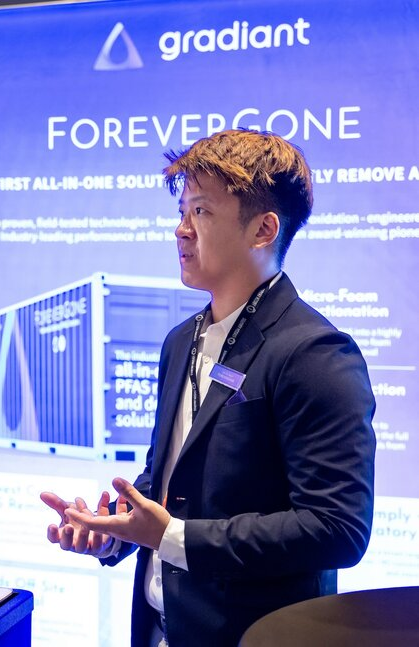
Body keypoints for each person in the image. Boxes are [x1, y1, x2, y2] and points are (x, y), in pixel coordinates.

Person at [41, 129, 376, 647]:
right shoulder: (181, 340)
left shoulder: (315, 353)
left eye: (201, 212)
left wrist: (171, 536)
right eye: (182, 212)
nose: (181, 231)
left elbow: (336, 528)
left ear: (263, 229)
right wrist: (113, 531)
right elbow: (167, 482)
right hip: (160, 629)